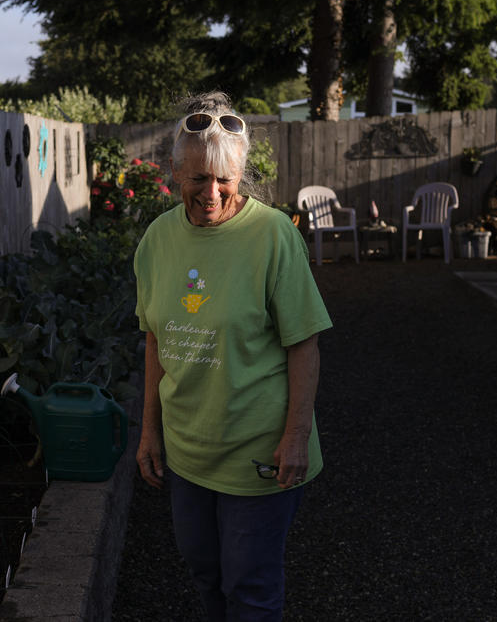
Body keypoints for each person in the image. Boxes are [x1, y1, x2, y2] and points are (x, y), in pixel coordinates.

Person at [133, 91, 333, 622]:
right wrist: (149, 430)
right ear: (175, 173)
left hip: (258, 450)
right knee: (205, 573)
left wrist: (295, 436)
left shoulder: (272, 236)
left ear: (240, 173)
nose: (212, 192)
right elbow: (156, 339)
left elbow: (304, 344)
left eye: (224, 178)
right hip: (188, 449)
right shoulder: (156, 240)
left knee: (251, 586)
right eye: (198, 178)